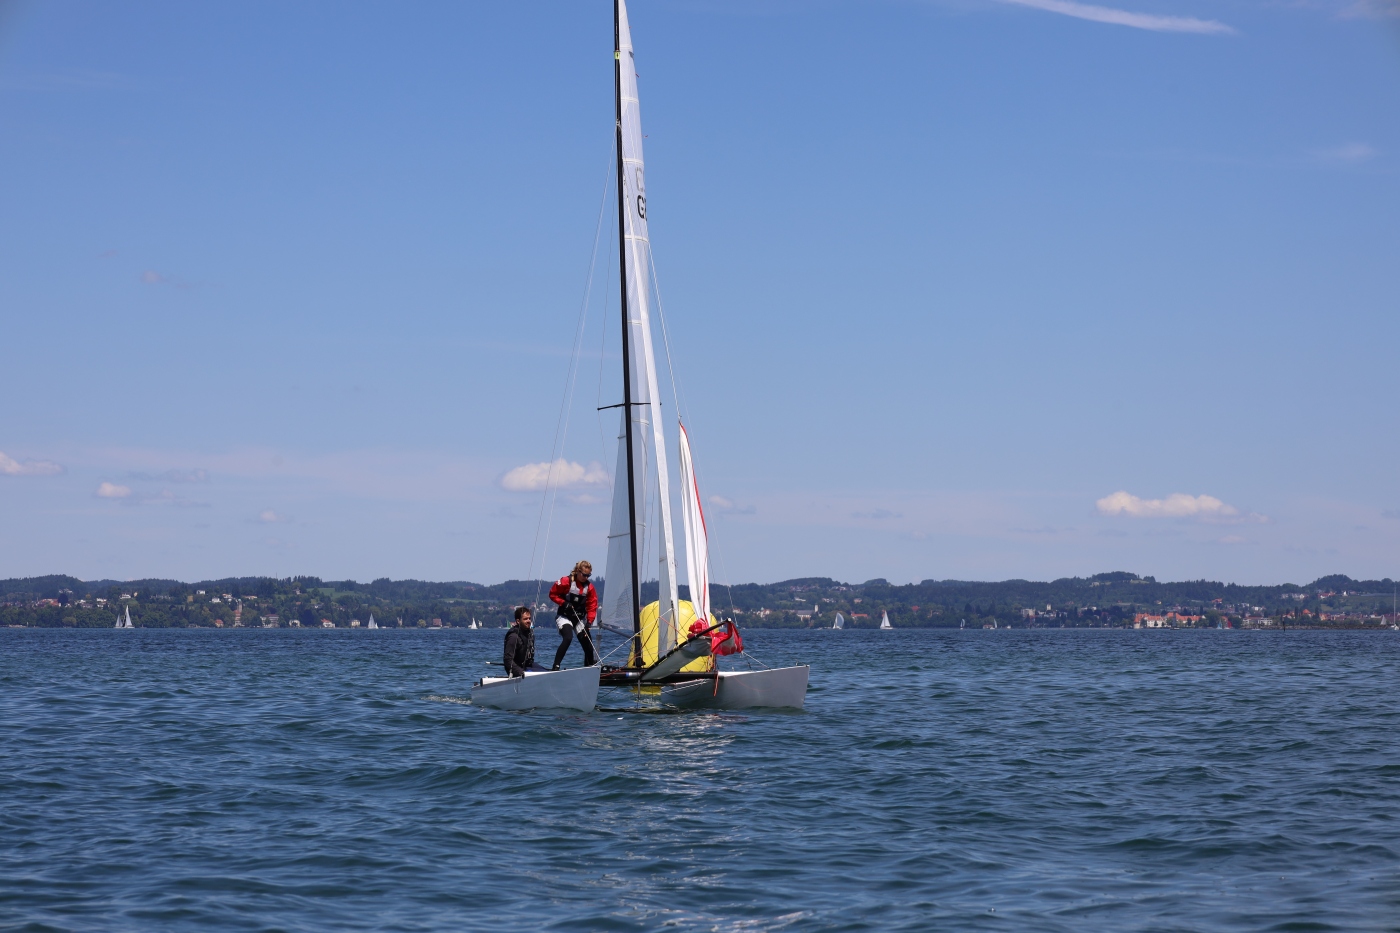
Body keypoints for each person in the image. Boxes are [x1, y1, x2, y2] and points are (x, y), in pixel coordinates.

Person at [549, 560, 598, 669]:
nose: (586, 577)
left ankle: (589, 668)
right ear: (577, 571)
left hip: (579, 619)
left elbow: (592, 606)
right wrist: (563, 603)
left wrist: (589, 622)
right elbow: (552, 594)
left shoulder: (589, 587)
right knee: (568, 637)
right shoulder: (565, 581)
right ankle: (556, 666)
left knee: (588, 644)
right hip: (564, 617)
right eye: (584, 575)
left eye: (588, 575)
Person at [503, 606, 535, 678]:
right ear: (518, 621)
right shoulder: (513, 637)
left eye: (529, 618)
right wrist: (521, 672)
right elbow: (508, 660)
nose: (528, 621)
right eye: (525, 619)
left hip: (527, 667)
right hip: (517, 671)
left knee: (545, 672)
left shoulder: (529, 634)